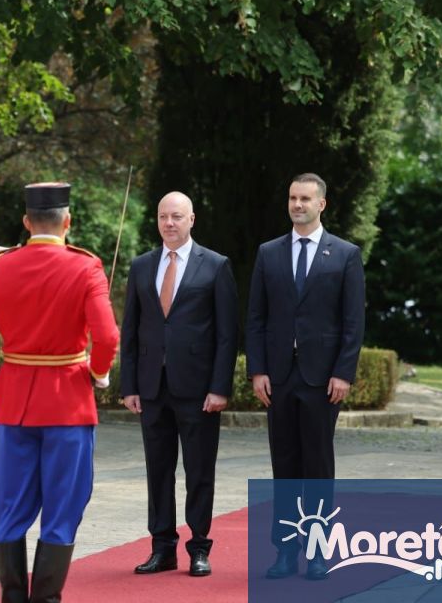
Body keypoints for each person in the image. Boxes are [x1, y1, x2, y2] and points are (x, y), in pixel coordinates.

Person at [0, 182, 119, 602]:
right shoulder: (86, 267)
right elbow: (107, 336)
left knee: (7, 506)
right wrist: (99, 372)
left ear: (27, 222)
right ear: (68, 222)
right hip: (69, 404)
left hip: (13, 405)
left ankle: (13, 596)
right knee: (63, 508)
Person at [246, 173, 365, 581]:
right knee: (284, 467)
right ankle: (284, 553)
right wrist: (257, 370)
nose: (297, 205)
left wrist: (343, 373)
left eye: (305, 199)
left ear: (321, 204)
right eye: (293, 198)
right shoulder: (268, 253)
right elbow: (256, 317)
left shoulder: (345, 254)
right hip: (278, 378)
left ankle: (317, 552)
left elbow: (353, 322)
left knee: (316, 467)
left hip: (322, 380)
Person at [120, 192, 237, 578]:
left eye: (176, 216)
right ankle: (162, 547)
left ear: (191, 220)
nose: (169, 223)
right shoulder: (141, 266)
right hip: (152, 387)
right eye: (163, 217)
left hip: (199, 390)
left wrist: (220, 387)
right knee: (158, 470)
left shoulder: (216, 265)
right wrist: (129, 385)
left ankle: (199, 547)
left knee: (199, 471)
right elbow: (130, 330)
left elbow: (227, 334)